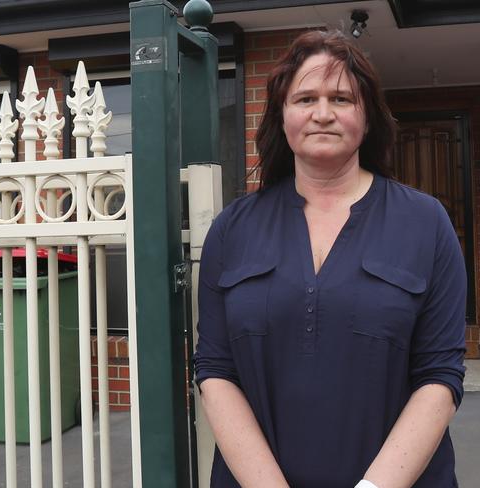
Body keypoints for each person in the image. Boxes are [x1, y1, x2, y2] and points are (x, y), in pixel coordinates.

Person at [194, 30, 466, 488]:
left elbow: (439, 378)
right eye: (305, 98)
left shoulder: (425, 223)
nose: (322, 113)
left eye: (341, 98)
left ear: (367, 115)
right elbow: (215, 370)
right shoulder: (233, 229)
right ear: (283, 115)